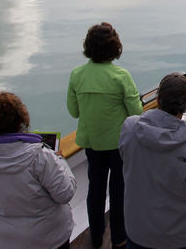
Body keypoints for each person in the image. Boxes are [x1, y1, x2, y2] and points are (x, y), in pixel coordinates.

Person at [119, 72, 186, 249]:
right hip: (178, 239)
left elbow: (126, 155)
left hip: (137, 232)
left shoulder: (130, 128)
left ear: (158, 100)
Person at [67, 22, 143, 248]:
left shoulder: (77, 75)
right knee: (119, 190)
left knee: (96, 188)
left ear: (88, 47)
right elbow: (136, 112)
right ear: (115, 49)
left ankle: (97, 236)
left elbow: (74, 112)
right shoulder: (121, 76)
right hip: (118, 145)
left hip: (92, 143)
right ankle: (119, 237)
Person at [0, 91, 76, 249]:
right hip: (49, 238)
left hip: (10, 240)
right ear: (22, 119)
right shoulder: (40, 155)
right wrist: (60, 160)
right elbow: (65, 193)